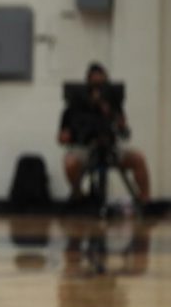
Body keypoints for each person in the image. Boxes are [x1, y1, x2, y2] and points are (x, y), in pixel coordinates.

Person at [57, 63, 150, 203]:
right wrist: (64, 137)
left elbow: (125, 134)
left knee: (139, 159)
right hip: (84, 148)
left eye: (101, 86)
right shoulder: (73, 108)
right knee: (70, 162)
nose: (97, 92)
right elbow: (62, 136)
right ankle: (78, 196)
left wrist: (118, 121)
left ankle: (145, 200)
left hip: (110, 147)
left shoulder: (113, 106)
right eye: (94, 87)